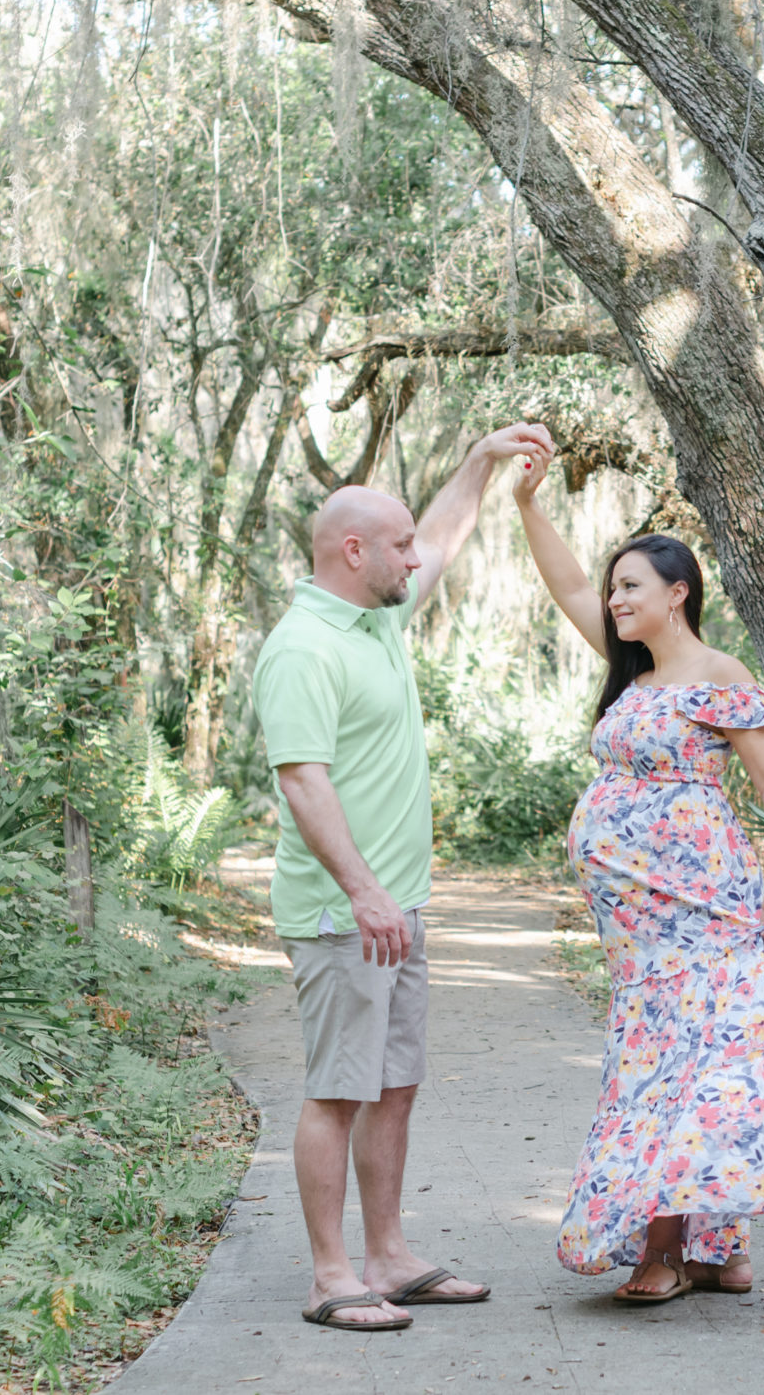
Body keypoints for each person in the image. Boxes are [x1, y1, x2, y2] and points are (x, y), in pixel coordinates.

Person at [250, 421, 554, 1332]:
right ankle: (331, 1273)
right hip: (346, 912)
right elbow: (303, 778)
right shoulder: (305, 646)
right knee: (338, 1088)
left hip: (395, 910)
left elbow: (448, 535)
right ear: (354, 551)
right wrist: (364, 890)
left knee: (393, 1085)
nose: (417, 557)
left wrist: (480, 459)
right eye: (399, 545)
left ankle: (387, 1253)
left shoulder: (376, 620)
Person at [511, 440, 764, 1304]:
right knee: (674, 1060)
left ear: (678, 593)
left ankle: (665, 1249)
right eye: (614, 587)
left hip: (702, 907)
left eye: (631, 585)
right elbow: (568, 586)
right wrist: (530, 504)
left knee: (694, 1064)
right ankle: (723, 1247)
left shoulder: (718, 676)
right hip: (636, 932)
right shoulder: (633, 675)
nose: (613, 598)